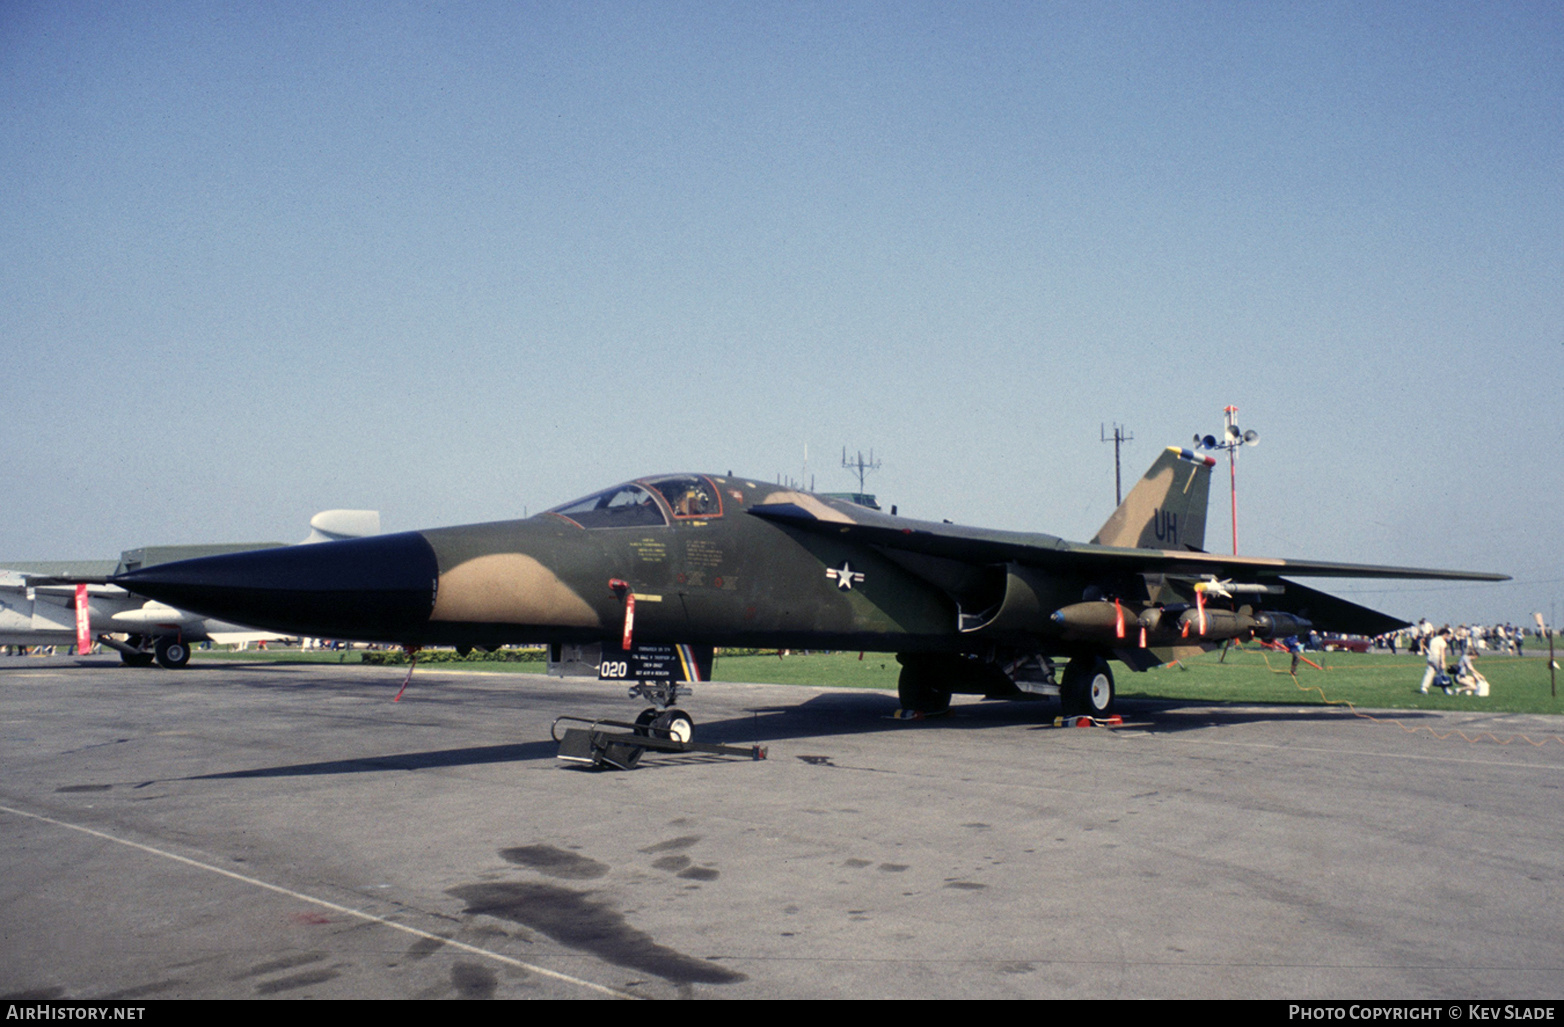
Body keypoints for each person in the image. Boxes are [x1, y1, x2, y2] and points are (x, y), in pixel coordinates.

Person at [1420, 627, 1452, 694]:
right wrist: (1443, 662)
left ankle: (1424, 687)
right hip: (1437, 657)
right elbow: (1442, 652)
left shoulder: (1433, 639)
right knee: (1441, 673)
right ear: (1445, 634)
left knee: (1429, 672)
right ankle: (1446, 689)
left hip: (1430, 656)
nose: (1448, 637)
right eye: (1448, 635)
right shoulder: (1442, 642)